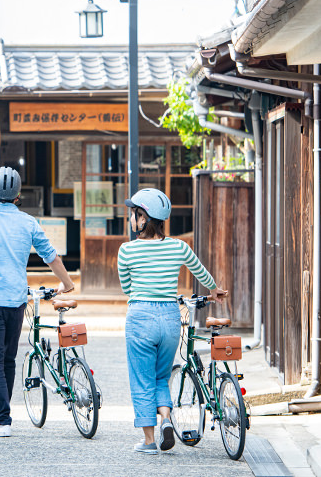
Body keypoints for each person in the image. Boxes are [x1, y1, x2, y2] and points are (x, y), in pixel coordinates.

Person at [117, 188, 227, 454]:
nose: (132, 218)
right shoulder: (179, 246)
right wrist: (214, 290)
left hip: (140, 316)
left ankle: (148, 441)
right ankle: (166, 418)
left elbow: (127, 288)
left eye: (135, 214)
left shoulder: (126, 251)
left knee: (142, 379)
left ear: (144, 218)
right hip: (169, 317)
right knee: (161, 377)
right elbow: (200, 272)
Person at [0, 166, 75, 437]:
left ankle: (1, 421)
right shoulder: (27, 222)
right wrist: (67, 284)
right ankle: (2, 416)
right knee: (8, 359)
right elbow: (51, 256)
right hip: (16, 299)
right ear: (18, 196)